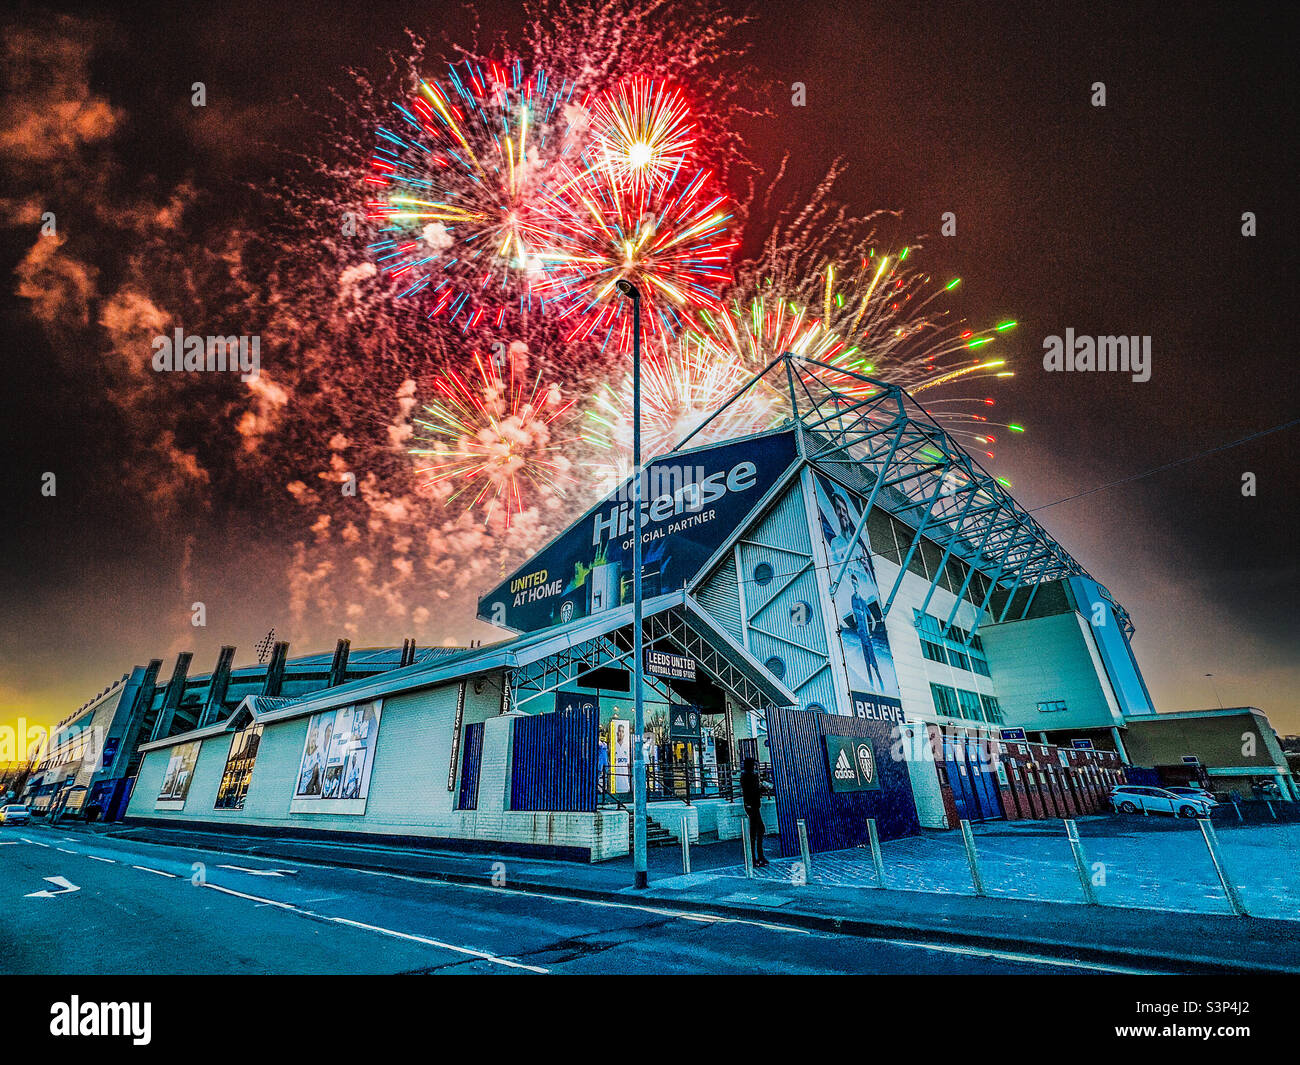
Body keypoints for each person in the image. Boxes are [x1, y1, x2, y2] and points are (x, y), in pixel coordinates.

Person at [739, 757, 772, 867]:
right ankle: (757, 857)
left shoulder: (745, 775)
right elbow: (753, 791)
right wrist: (763, 788)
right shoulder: (751, 776)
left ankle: (756, 857)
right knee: (759, 829)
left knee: (756, 830)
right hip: (753, 805)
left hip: (750, 805)